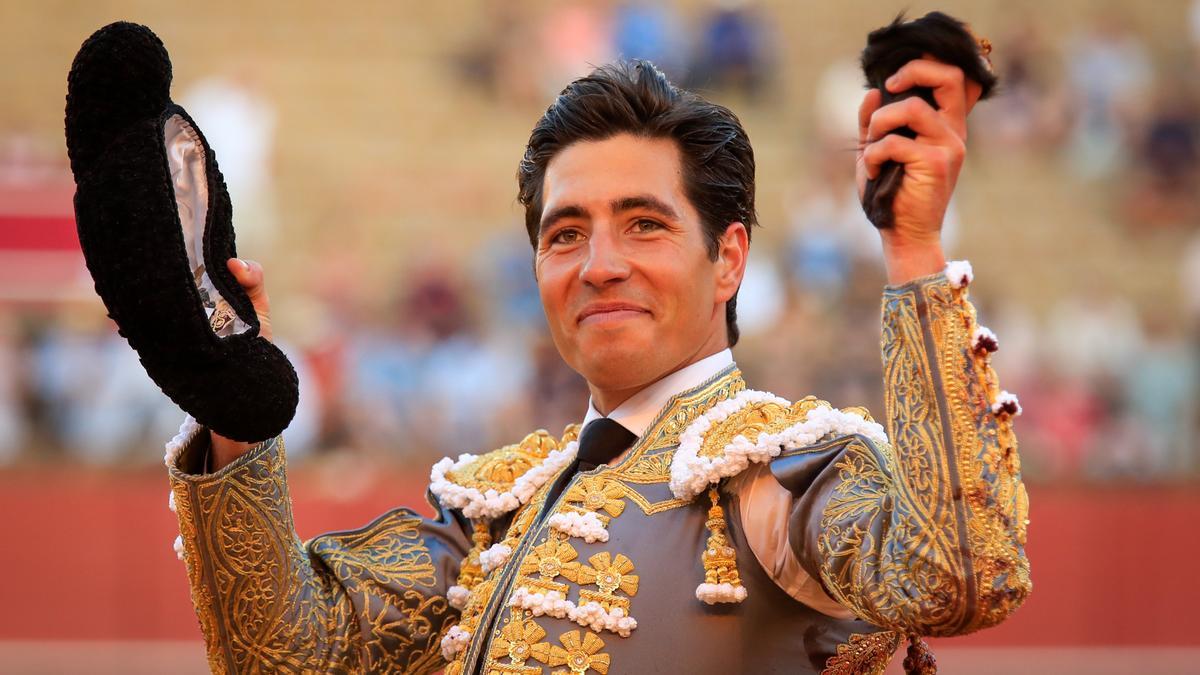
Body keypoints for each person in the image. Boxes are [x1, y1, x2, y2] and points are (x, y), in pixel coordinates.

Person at [165, 59, 1029, 674]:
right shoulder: (496, 511)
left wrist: (913, 254)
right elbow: (284, 654)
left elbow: (956, 575)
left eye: (644, 224)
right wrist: (236, 410)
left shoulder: (778, 471)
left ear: (729, 259)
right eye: (565, 233)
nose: (599, 263)